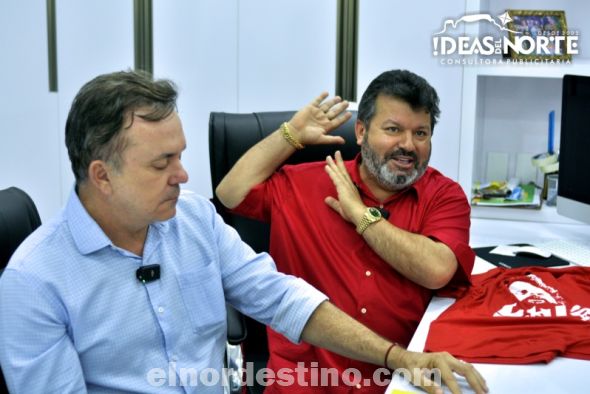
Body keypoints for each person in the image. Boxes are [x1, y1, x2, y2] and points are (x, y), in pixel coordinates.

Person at [0, 70, 486, 394]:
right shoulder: (35, 281)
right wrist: (291, 136)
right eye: (161, 163)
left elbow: (280, 298)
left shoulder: (193, 221)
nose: (184, 176)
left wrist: (398, 357)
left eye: (182, 155)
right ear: (103, 175)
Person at [216, 69, 476, 393]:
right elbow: (230, 193)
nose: (408, 146)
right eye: (393, 130)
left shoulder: (443, 196)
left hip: (400, 377)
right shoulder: (304, 183)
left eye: (421, 133)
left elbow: (437, 270)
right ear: (361, 131)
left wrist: (361, 217)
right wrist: (290, 134)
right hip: (305, 382)